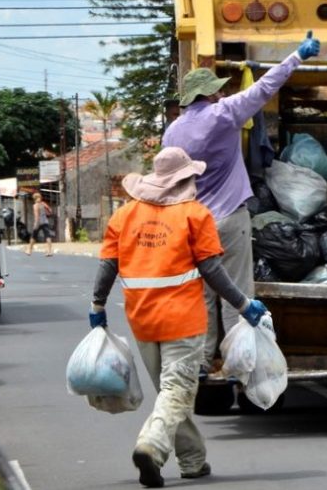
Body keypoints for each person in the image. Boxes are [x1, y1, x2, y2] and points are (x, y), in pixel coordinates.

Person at [87, 147, 269, 488]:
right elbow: (213, 270)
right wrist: (244, 305)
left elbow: (107, 266)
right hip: (182, 321)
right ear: (185, 179)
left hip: (142, 320)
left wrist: (97, 307)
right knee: (177, 390)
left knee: (171, 393)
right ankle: (152, 447)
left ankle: (193, 461)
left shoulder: (124, 216)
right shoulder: (195, 215)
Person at [163, 31, 320, 375]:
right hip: (229, 220)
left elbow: (168, 179)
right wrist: (297, 55)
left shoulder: (172, 132)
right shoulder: (224, 114)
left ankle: (204, 362)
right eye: (218, 87)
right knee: (235, 294)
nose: (223, 91)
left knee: (203, 296)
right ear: (210, 93)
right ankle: (238, 363)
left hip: (192, 223)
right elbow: (265, 87)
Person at [26, 192, 53, 256]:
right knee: (47, 236)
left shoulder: (35, 205)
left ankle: (29, 250)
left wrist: (36, 224)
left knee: (33, 236)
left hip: (39, 223)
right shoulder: (43, 204)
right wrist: (47, 214)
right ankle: (49, 251)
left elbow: (36, 216)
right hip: (45, 222)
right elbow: (50, 211)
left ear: (34, 199)